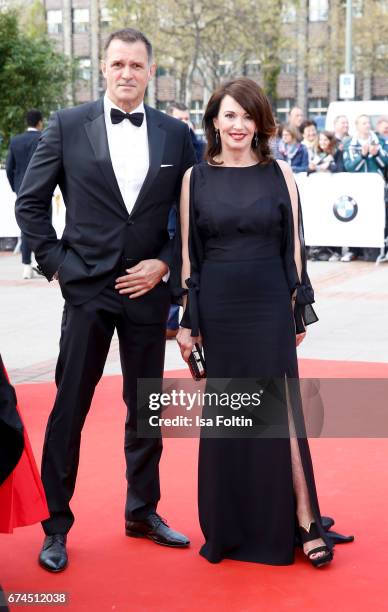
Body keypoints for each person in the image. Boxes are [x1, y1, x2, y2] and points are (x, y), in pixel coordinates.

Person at [15, 27, 196, 573]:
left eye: (137, 66)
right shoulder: (69, 125)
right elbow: (31, 204)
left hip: (147, 293)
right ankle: (56, 526)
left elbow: (192, 214)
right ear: (103, 68)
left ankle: (142, 511)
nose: (127, 74)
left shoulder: (174, 134)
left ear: (150, 70)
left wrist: (166, 262)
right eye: (118, 64)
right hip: (88, 291)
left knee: (146, 412)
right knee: (69, 409)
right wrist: (60, 267)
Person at [177, 78, 352, 567]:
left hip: (268, 305)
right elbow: (190, 256)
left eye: (248, 116)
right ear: (214, 120)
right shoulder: (196, 178)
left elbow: (294, 247)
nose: (238, 125)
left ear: (261, 123)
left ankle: (302, 517)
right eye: (229, 115)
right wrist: (189, 323)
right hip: (219, 307)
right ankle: (232, 523)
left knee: (280, 409)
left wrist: (297, 306)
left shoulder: (280, 175)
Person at [165, 102, 205, 338]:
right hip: (170, 218)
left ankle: (188, 318)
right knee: (172, 269)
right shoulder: (161, 143)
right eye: (179, 119)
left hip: (195, 216)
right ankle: (170, 323)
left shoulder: (197, 144)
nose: (185, 123)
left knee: (190, 269)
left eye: (187, 118)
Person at [0, 354, 49, 533]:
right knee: (70, 405)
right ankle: (57, 525)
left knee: (143, 386)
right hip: (85, 325)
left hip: (143, 328)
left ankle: (140, 503)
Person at [343, 114, 388, 261]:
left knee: (377, 217)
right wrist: (362, 156)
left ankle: (377, 250)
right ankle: (354, 250)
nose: (367, 125)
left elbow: (385, 163)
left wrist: (375, 156)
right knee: (356, 217)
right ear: (357, 126)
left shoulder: (380, 140)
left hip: (376, 187)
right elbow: (349, 167)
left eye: (368, 123)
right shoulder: (350, 143)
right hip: (358, 188)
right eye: (364, 123)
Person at [6, 110, 43, 279]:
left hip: (22, 191)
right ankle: (41, 263)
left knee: (25, 227)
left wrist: (16, 188)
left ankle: (26, 265)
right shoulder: (44, 138)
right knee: (44, 226)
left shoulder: (15, 141)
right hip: (43, 189)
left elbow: (9, 168)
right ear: (39, 123)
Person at [308, 131, 344, 262]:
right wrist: (311, 168)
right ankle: (320, 251)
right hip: (320, 194)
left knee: (334, 219)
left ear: (331, 141)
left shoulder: (337, 153)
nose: (322, 143)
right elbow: (308, 171)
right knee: (322, 219)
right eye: (321, 140)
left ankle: (336, 251)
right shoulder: (316, 154)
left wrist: (329, 165)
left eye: (325, 140)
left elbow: (341, 168)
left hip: (334, 193)